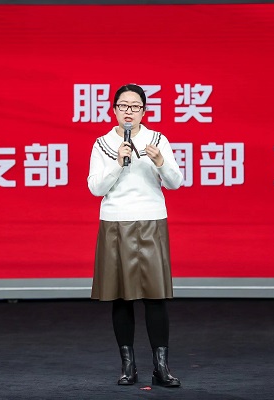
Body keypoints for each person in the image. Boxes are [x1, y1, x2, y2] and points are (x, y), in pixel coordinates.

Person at [87, 84, 184, 387]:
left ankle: (161, 367)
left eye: (135, 106)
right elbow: (96, 188)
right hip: (115, 221)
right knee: (121, 297)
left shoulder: (158, 140)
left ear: (144, 111)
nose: (129, 111)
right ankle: (128, 366)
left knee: (155, 297)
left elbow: (176, 182)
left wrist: (160, 162)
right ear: (114, 109)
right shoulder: (102, 144)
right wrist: (118, 162)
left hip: (151, 219)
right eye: (123, 105)